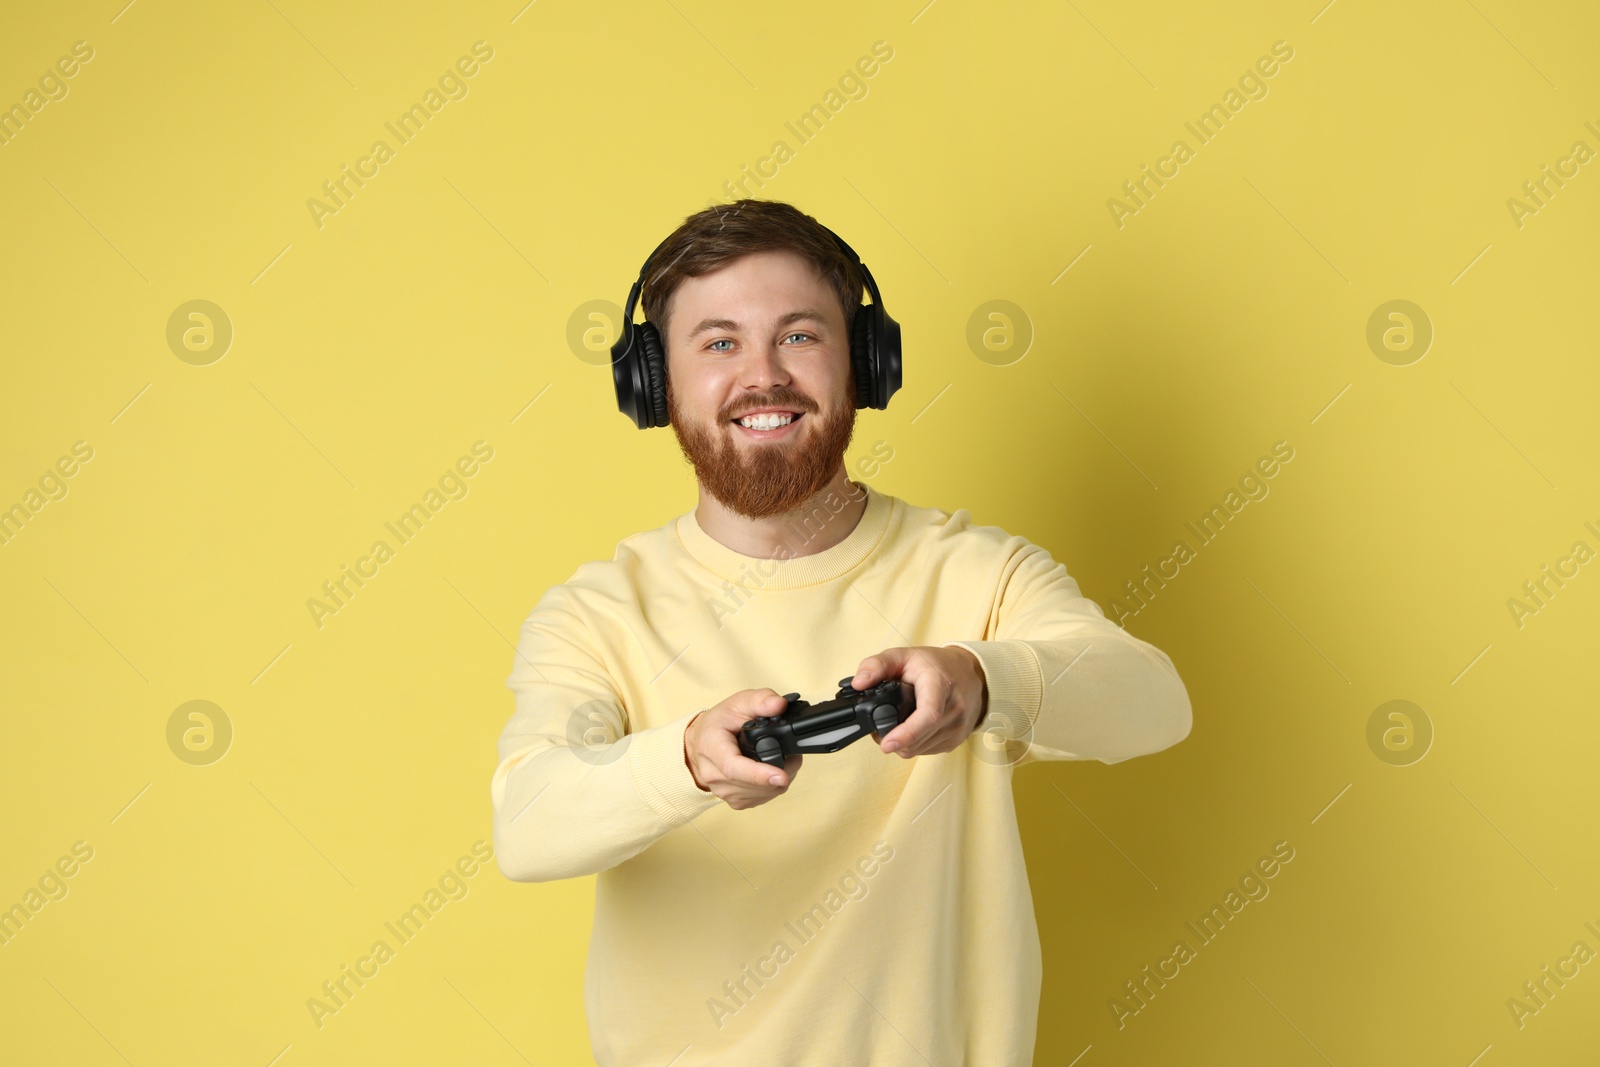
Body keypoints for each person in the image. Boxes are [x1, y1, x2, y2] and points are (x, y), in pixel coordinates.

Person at [490, 199, 1192, 1066]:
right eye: (718, 343)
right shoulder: (596, 615)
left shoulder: (977, 577)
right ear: (653, 384)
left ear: (865, 362)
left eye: (799, 336)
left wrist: (982, 682)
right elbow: (526, 825)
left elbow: (1156, 705)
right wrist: (684, 763)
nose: (763, 376)